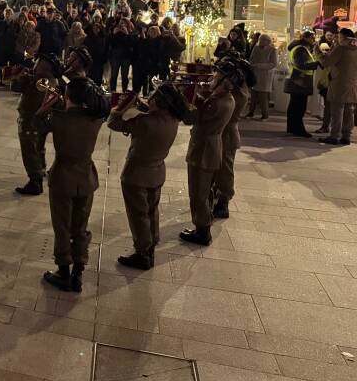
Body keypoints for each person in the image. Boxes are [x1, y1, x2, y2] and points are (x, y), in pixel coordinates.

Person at [108, 82, 187, 270]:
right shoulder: (173, 118)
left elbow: (114, 123)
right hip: (157, 171)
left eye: (152, 97)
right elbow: (154, 116)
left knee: (138, 215)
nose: (149, 98)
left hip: (137, 174)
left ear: (158, 102)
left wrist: (121, 106)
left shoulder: (145, 122)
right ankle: (150, 246)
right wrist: (143, 105)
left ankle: (142, 252)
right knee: (152, 212)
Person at [42, 77, 110, 292]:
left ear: (69, 96)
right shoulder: (95, 118)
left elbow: (35, 124)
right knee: (80, 226)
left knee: (62, 226)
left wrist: (47, 103)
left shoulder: (59, 118)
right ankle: (78, 272)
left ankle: (63, 271)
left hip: (63, 176)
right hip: (86, 177)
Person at [179, 61, 241, 246]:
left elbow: (193, 118)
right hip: (211, 147)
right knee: (205, 190)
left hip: (204, 149)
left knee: (198, 191)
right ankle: (204, 224)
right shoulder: (225, 98)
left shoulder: (218, 102)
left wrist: (185, 98)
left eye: (217, 76)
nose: (213, 78)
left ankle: (202, 230)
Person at [13, 53, 62, 196]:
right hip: (43, 118)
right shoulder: (50, 79)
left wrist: (20, 76)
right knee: (38, 146)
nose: (35, 63)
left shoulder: (39, 80)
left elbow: (17, 87)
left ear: (44, 65)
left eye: (38, 61)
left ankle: (35, 181)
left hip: (31, 119)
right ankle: (41, 170)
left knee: (29, 150)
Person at [213, 56, 255, 219]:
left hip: (227, 134)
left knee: (225, 168)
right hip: (222, 132)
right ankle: (217, 192)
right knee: (219, 166)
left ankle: (224, 199)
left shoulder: (237, 93)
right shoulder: (237, 89)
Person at [319, 28, 357, 145]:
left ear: (344, 38)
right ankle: (346, 136)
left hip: (339, 84)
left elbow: (327, 62)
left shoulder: (340, 49)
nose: (337, 39)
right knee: (349, 111)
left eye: (339, 37)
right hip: (353, 84)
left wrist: (319, 53)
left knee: (337, 111)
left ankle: (334, 136)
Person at [284, 30, 320, 138]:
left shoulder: (299, 48)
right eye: (312, 38)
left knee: (294, 106)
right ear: (306, 38)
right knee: (299, 107)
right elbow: (302, 64)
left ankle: (292, 128)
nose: (314, 40)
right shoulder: (301, 49)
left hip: (296, 80)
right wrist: (317, 64)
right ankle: (298, 129)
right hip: (300, 81)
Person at [247, 34, 277, 120]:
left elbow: (273, 64)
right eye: (260, 40)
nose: (261, 42)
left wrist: (259, 65)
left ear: (268, 41)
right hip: (255, 74)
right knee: (253, 95)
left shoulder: (272, 50)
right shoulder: (256, 48)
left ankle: (265, 114)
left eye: (263, 40)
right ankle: (251, 112)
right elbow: (251, 59)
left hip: (265, 76)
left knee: (263, 96)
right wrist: (252, 66)